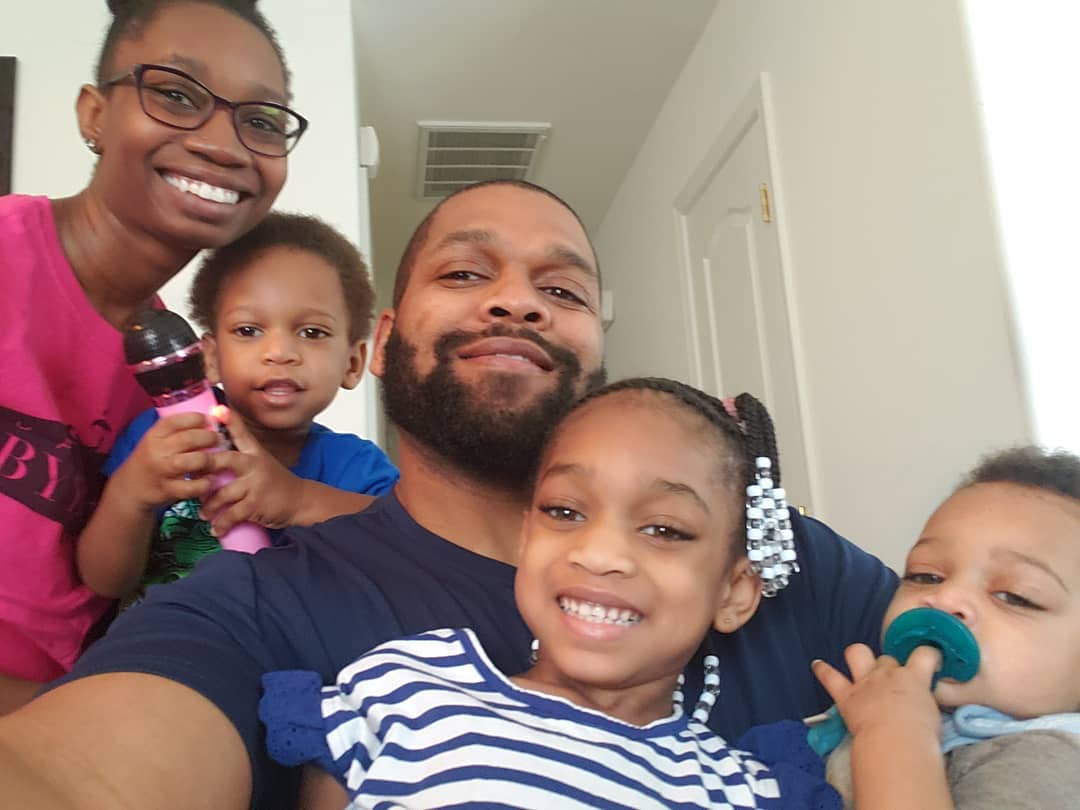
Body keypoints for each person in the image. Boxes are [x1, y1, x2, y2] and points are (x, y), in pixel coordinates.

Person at [0, 179, 896, 809]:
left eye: (562, 289)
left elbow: (1008, 675)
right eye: (467, 274)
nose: (518, 303)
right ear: (382, 343)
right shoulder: (258, 601)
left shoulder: (777, 560)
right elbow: (76, 773)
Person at [260, 378, 838, 809]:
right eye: (564, 511)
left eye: (664, 529)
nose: (598, 554)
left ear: (736, 593)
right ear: (525, 537)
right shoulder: (406, 690)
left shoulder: (746, 790)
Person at [0, 0, 300, 712]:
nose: (227, 146)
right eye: (175, 93)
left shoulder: (181, 370)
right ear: (94, 114)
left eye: (261, 120)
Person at [78, 212, 399, 601]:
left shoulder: (357, 467)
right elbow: (105, 583)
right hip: (170, 650)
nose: (280, 352)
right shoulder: (158, 441)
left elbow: (411, 551)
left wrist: (300, 499)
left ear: (352, 362)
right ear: (209, 358)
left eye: (312, 332)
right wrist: (130, 495)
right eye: (248, 331)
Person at [813, 446, 1080, 809]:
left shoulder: (1046, 764)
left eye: (1016, 596)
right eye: (925, 575)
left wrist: (895, 735)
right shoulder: (888, 697)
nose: (945, 597)